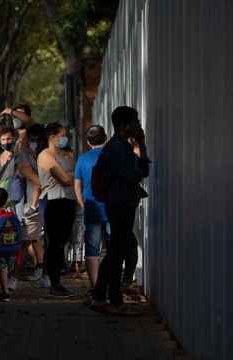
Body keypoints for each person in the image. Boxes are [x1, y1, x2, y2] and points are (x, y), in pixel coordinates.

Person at [92, 106, 150, 315]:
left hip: (121, 203)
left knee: (116, 251)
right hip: (120, 204)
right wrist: (140, 150)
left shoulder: (122, 145)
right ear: (125, 125)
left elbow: (143, 171)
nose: (138, 125)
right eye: (135, 121)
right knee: (118, 252)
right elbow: (135, 174)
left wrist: (140, 146)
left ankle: (100, 296)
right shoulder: (117, 148)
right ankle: (114, 301)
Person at [37, 122, 77, 297]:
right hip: (55, 202)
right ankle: (54, 282)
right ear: (52, 137)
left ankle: (57, 281)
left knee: (63, 242)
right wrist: (74, 175)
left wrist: (73, 175)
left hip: (69, 201)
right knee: (55, 243)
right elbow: (65, 179)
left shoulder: (67, 154)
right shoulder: (45, 156)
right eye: (62, 135)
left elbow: (75, 174)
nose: (65, 138)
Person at [74, 125, 109, 289]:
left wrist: (83, 204)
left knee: (92, 249)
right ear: (106, 138)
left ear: (88, 142)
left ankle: (95, 286)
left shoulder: (82, 159)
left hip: (91, 208)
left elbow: (77, 186)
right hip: (112, 208)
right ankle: (111, 283)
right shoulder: (112, 157)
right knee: (113, 247)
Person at [17, 124, 46, 281]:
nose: (35, 142)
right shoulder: (25, 154)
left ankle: (43, 269)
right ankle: (40, 268)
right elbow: (36, 180)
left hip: (45, 200)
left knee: (40, 237)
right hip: (32, 201)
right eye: (32, 139)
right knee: (33, 237)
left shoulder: (45, 153)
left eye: (38, 139)